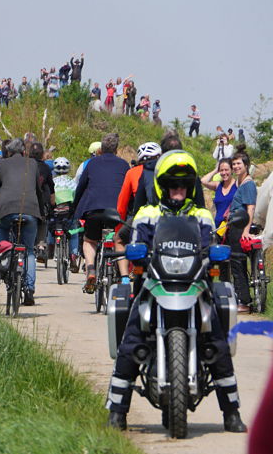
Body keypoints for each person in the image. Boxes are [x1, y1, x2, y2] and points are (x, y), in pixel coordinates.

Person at [106, 150, 247, 433]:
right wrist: (136, 253)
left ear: (191, 187)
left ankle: (231, 413)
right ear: (163, 185)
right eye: (173, 184)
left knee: (217, 342)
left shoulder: (202, 215)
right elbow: (136, 245)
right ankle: (117, 412)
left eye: (183, 185)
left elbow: (209, 245)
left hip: (195, 285)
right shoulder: (147, 214)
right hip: (154, 284)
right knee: (132, 340)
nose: (179, 190)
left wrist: (216, 254)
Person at [0, 138, 44, 306]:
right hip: (30, 209)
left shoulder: (2, 165)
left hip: (6, 210)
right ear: (23, 151)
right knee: (29, 251)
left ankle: (3, 266)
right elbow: (38, 191)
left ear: (8, 151)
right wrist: (40, 210)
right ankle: (30, 289)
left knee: (3, 239)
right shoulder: (32, 164)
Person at [73, 133, 129, 292]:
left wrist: (75, 208)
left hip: (93, 209)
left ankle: (90, 269)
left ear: (101, 149)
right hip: (116, 212)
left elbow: (81, 187)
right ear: (116, 149)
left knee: (90, 240)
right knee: (120, 240)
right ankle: (123, 274)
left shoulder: (91, 164)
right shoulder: (124, 165)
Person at [114, 142, 162, 283]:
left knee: (119, 239)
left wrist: (118, 226)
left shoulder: (133, 172)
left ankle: (124, 278)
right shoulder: (166, 170)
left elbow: (122, 204)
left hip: (142, 217)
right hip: (169, 219)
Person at [227, 145, 257, 313]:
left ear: (246, 165)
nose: (236, 167)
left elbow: (250, 209)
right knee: (235, 263)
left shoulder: (248, 184)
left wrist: (245, 231)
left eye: (239, 164)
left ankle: (244, 301)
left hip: (240, 227)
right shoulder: (240, 183)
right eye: (234, 164)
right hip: (234, 225)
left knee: (238, 263)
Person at [48, 157, 80, 271]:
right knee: (74, 233)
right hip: (68, 214)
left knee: (50, 228)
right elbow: (76, 198)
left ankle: (50, 248)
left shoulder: (52, 182)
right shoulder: (72, 182)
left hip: (56, 214)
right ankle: (73, 256)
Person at [201, 158, 236, 228]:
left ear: (232, 170)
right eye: (221, 170)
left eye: (226, 170)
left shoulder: (238, 185)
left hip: (231, 226)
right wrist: (215, 170)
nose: (224, 173)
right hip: (217, 227)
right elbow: (203, 181)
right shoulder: (218, 185)